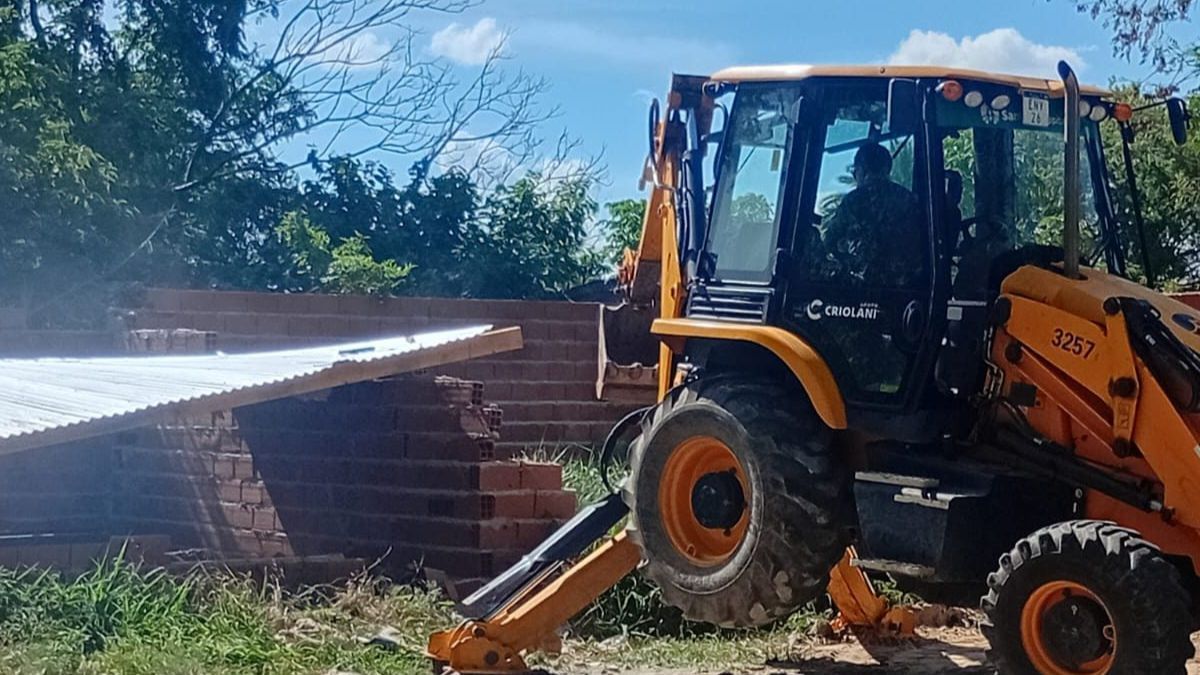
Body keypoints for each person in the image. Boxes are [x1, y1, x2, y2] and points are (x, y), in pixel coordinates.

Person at [821, 142, 923, 285]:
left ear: (862, 170)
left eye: (855, 171)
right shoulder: (908, 199)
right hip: (905, 285)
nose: (855, 176)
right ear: (887, 169)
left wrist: (846, 260)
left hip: (864, 286)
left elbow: (830, 241)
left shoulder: (854, 200)